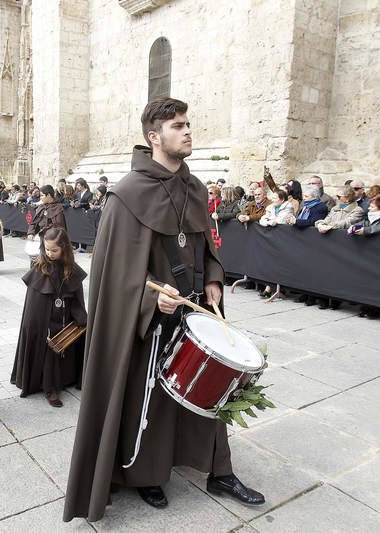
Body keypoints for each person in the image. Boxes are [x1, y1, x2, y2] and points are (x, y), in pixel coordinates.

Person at [64, 97, 264, 523]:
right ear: (154, 137)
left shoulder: (194, 188)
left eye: (188, 123)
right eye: (177, 126)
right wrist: (149, 299)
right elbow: (110, 276)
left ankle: (219, 470)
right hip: (151, 319)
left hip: (195, 312)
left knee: (212, 390)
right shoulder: (126, 195)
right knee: (148, 399)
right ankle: (148, 475)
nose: (188, 131)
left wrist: (213, 275)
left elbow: (203, 245)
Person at [11, 227, 86, 407]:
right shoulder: (39, 267)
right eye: (46, 249)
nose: (49, 253)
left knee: (73, 337)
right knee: (49, 341)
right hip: (43, 319)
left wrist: (80, 317)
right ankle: (49, 387)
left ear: (65, 249)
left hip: (64, 317)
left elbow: (76, 297)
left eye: (55, 250)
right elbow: (34, 304)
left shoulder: (71, 269)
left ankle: (67, 378)